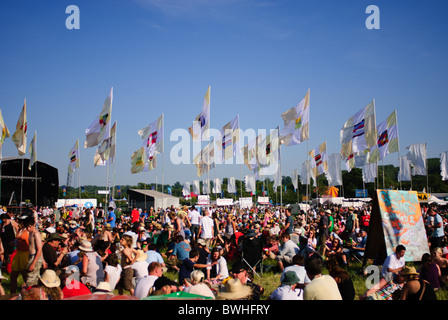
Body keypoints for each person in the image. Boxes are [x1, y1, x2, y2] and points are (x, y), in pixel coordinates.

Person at [23, 216, 43, 288]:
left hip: (35, 257)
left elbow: (39, 249)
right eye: (27, 227)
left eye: (29, 227)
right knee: (29, 278)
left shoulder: (36, 234)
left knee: (31, 280)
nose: (28, 229)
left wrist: (33, 264)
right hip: (32, 256)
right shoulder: (31, 233)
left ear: (33, 225)